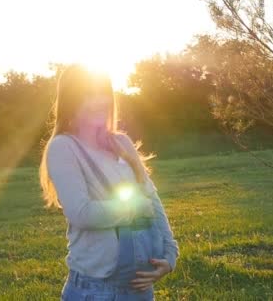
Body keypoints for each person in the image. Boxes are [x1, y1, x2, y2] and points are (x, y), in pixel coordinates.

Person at [39, 65, 179, 300]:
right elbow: (82, 213)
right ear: (71, 100)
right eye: (89, 94)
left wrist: (170, 256)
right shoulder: (64, 147)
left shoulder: (122, 143)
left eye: (103, 93)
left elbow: (153, 200)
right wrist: (135, 207)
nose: (100, 101)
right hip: (95, 290)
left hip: (140, 288)